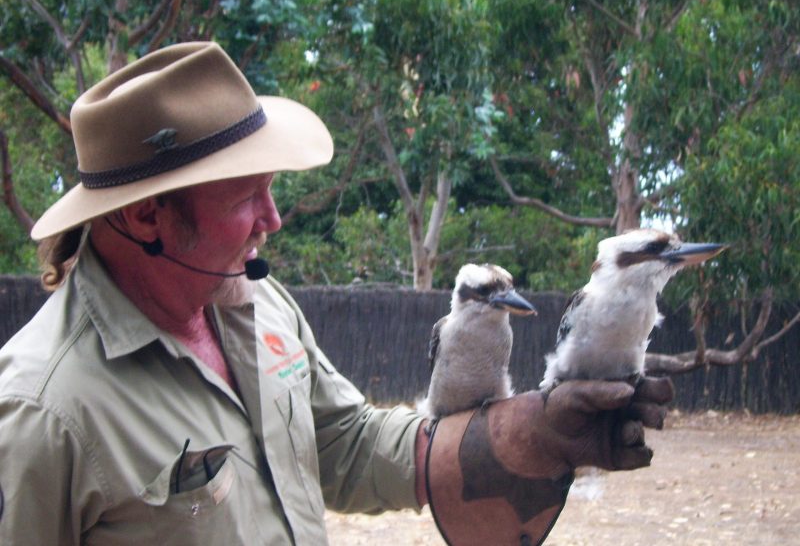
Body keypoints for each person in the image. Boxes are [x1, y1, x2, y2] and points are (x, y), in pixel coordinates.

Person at [0, 42, 673, 545]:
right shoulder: (45, 410)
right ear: (145, 217)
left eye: (271, 188)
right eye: (245, 197)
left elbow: (342, 442)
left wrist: (528, 430)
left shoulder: (254, 303)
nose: (274, 218)